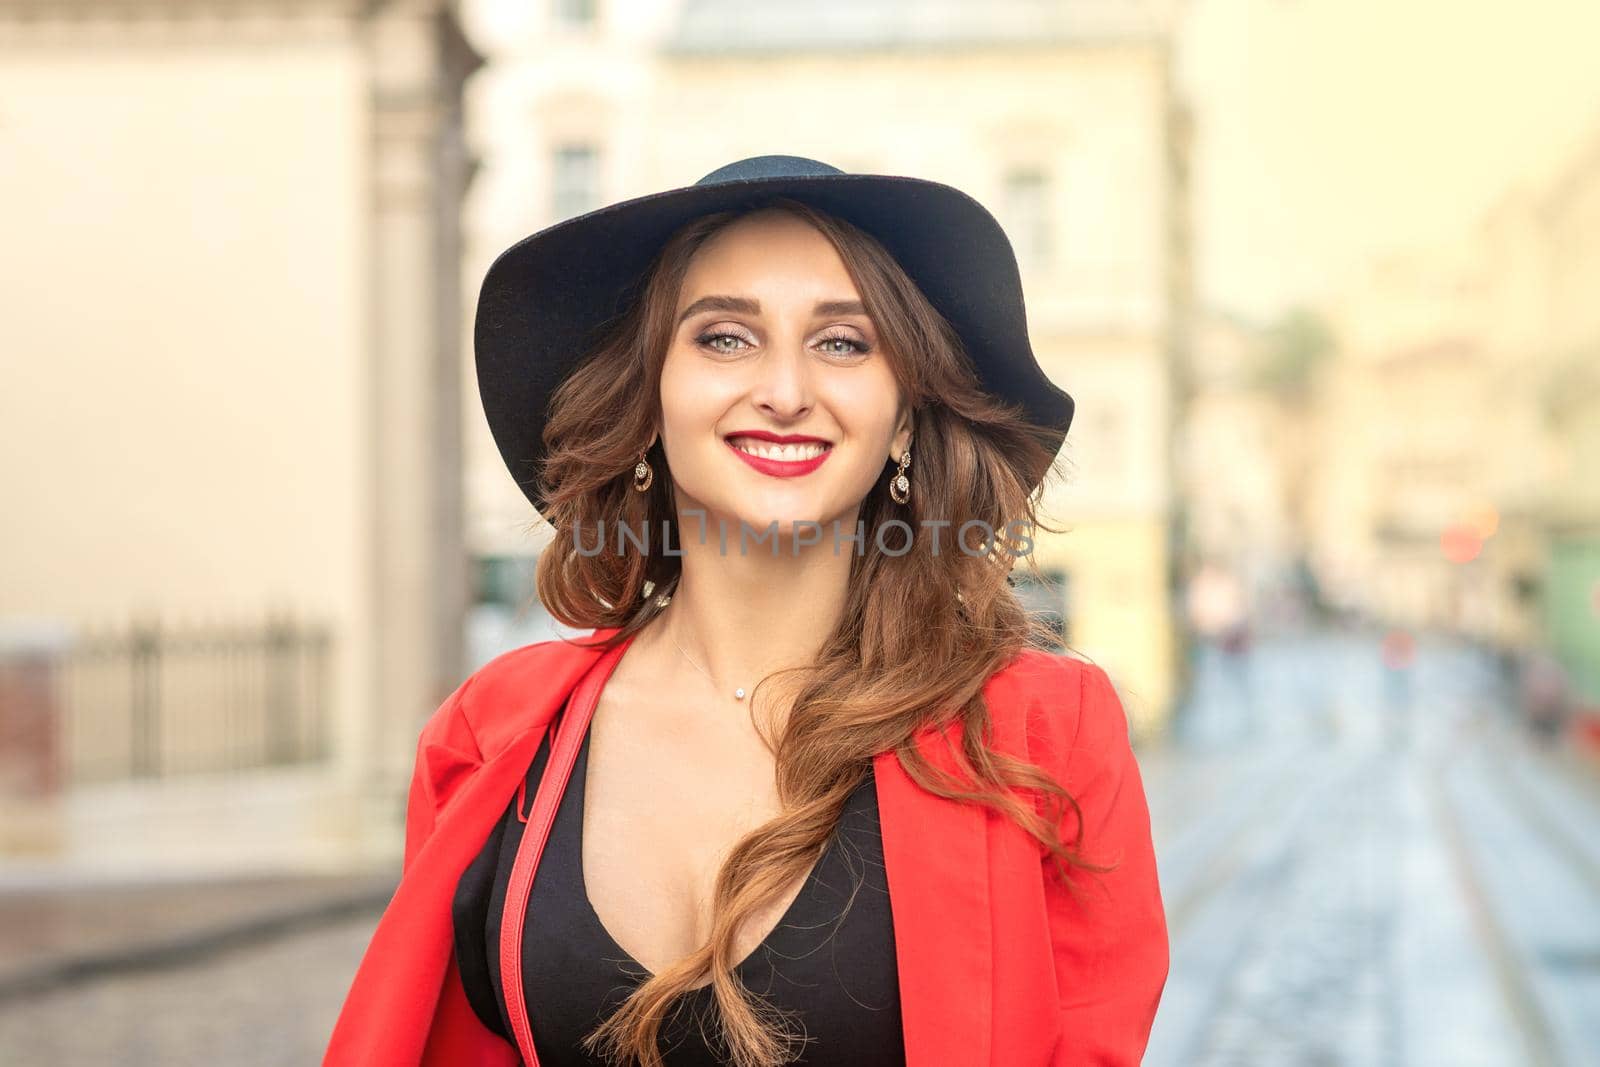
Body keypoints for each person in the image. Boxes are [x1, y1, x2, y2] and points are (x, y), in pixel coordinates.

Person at [323, 155, 1169, 1067]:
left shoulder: (1044, 737)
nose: (785, 389)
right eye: (725, 337)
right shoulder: (489, 737)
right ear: (646, 396)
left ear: (906, 419)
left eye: (844, 342)